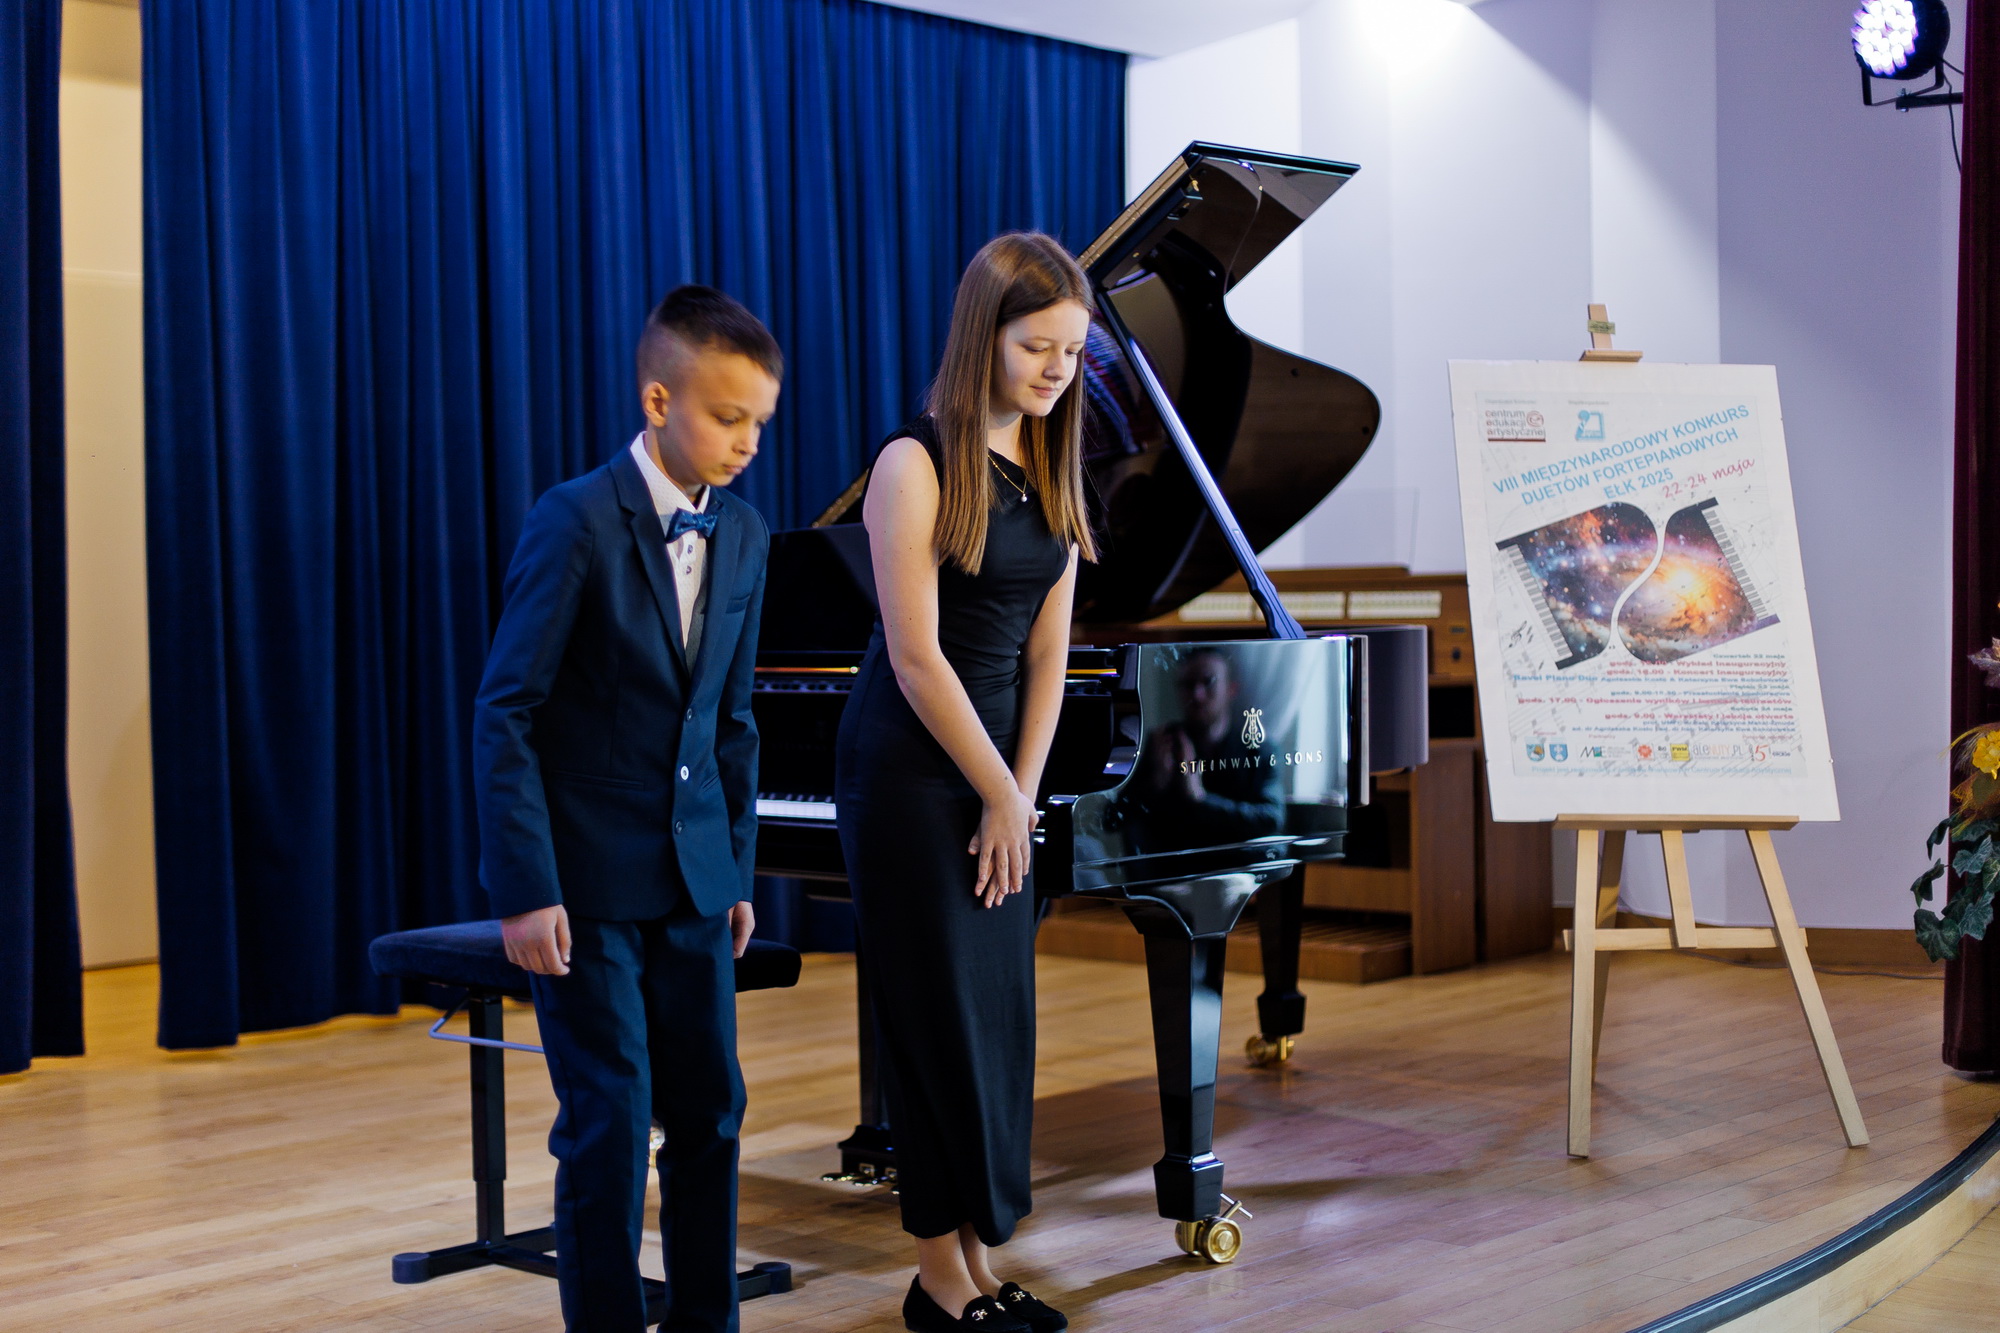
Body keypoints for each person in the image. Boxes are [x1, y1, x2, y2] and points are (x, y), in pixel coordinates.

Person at [472, 285, 780, 1333]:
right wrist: (525, 888)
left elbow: (733, 720)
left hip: (695, 883)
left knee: (711, 1113)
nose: (747, 441)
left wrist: (733, 871)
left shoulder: (745, 532)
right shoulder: (574, 518)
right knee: (610, 1117)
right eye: (728, 417)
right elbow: (507, 710)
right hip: (586, 886)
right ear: (658, 400)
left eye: (759, 421)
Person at [835, 233, 1094, 1333]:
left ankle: (978, 1266)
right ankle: (939, 1280)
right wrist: (995, 792)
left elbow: (1049, 655)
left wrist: (1018, 793)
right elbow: (914, 656)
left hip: (995, 781)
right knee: (934, 1021)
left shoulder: (1052, 464)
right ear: (983, 334)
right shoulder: (914, 463)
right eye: (1037, 346)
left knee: (993, 1024)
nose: (1056, 370)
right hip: (910, 769)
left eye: (1072, 352)